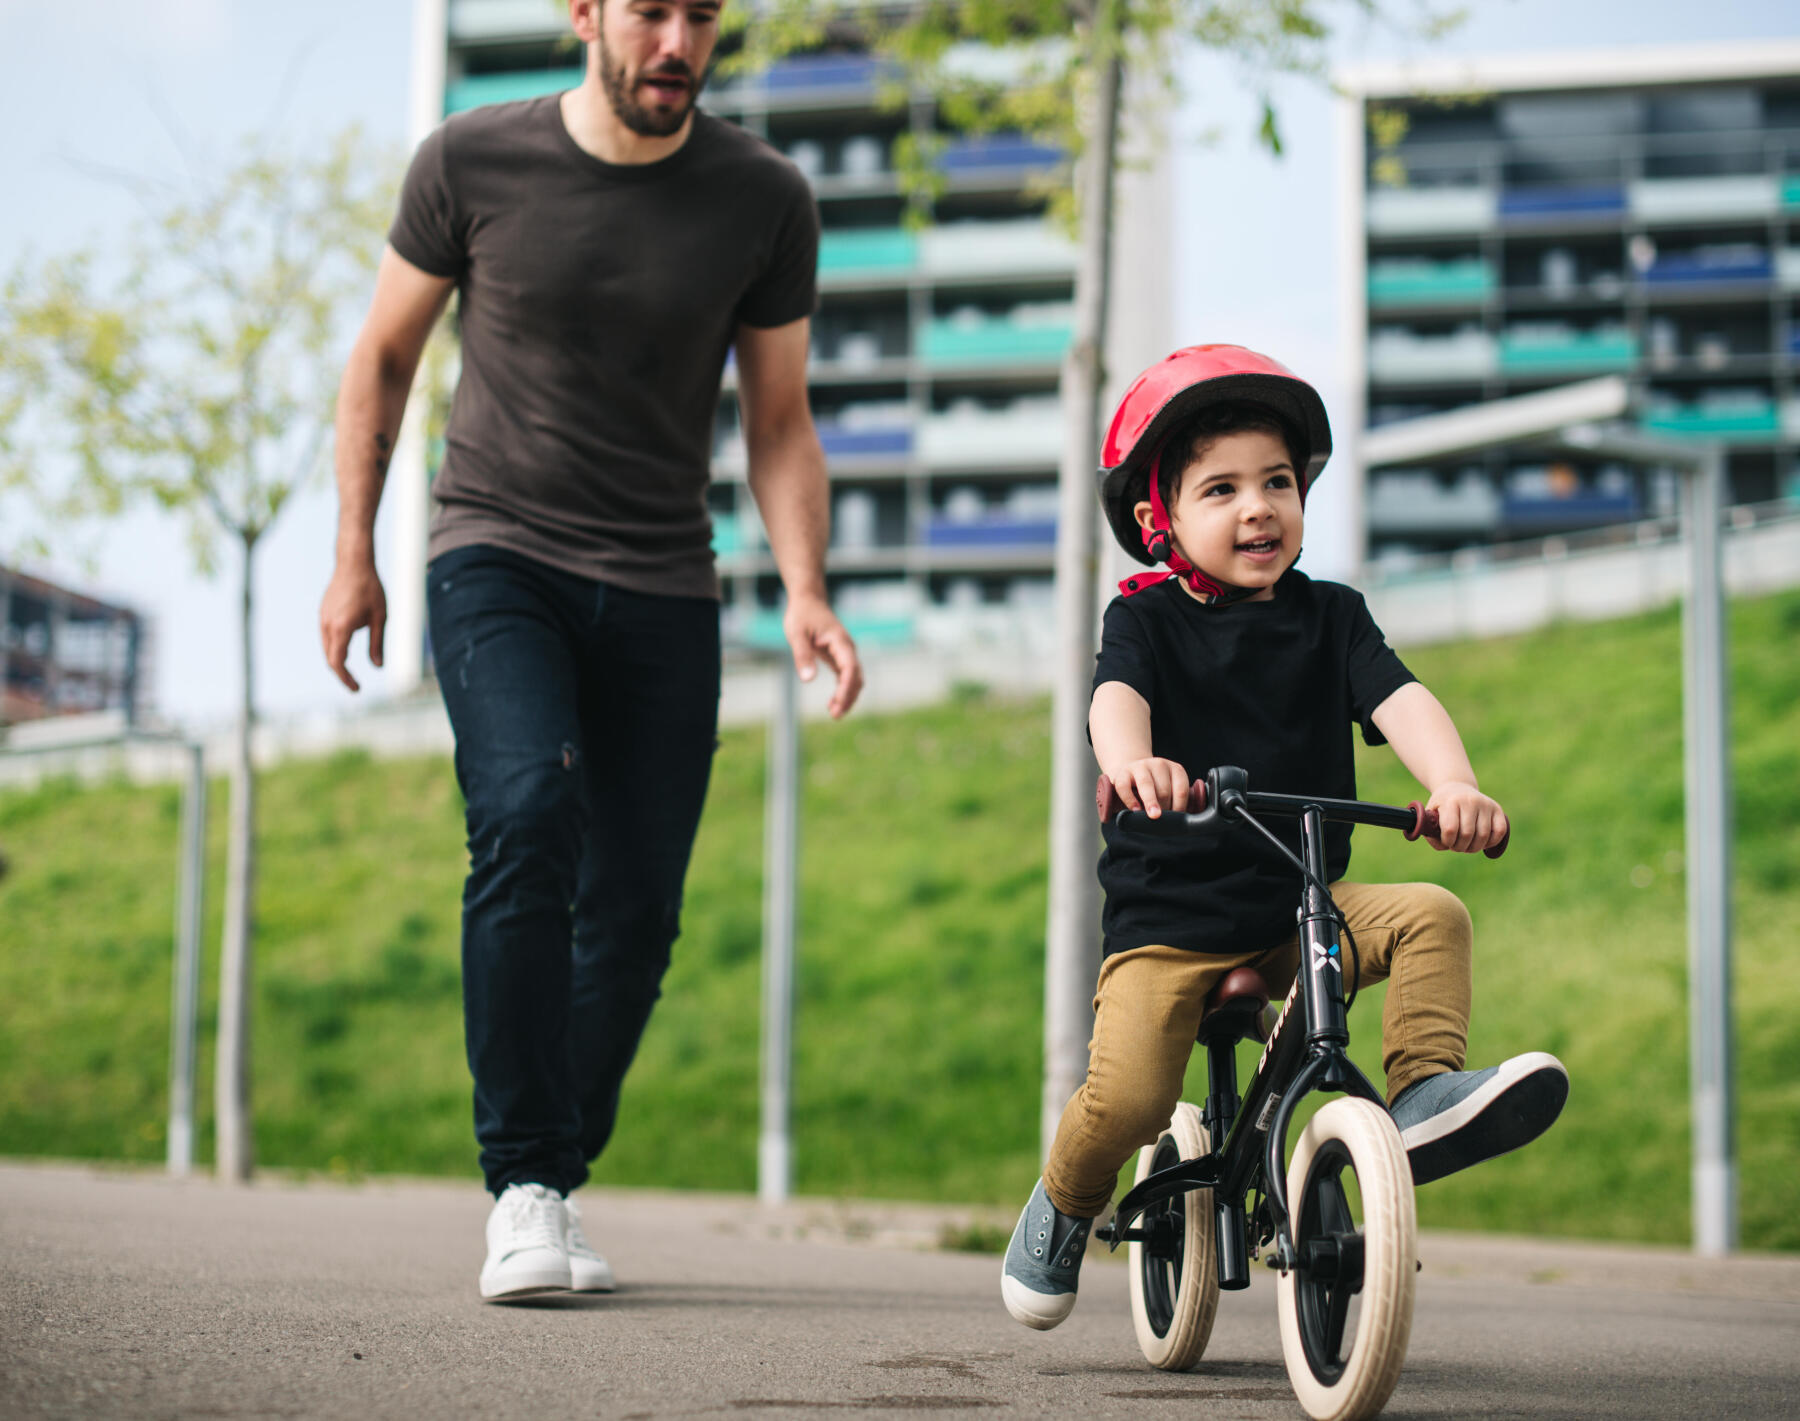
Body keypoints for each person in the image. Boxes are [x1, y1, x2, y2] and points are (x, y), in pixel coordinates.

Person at [319, 0, 862, 1302]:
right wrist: (354, 550)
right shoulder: (469, 162)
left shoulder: (764, 197)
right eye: (651, 12)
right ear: (586, 15)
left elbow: (779, 419)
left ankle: (549, 1173)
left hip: (666, 586)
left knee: (634, 913)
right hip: (496, 552)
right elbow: (384, 357)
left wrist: (806, 588)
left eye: (702, 17)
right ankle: (526, 1183)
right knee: (525, 807)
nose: (678, 40)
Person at [1000, 344, 1567, 1329]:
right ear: (1159, 518)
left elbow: (1402, 698)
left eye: (1278, 481)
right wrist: (1134, 764)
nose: (1258, 505)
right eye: (1221, 488)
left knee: (1433, 913)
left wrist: (1455, 782)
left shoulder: (1333, 617)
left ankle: (1422, 1092)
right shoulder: (1146, 623)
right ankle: (1062, 1200)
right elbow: (1115, 701)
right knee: (1131, 1096)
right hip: (1170, 921)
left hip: (1300, 905)